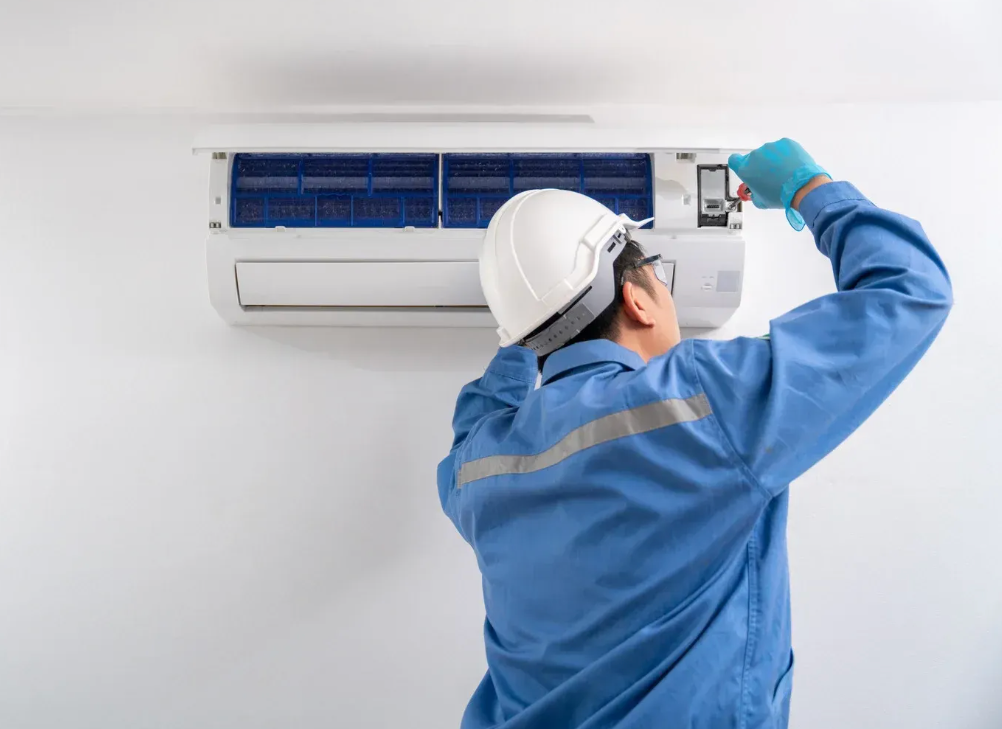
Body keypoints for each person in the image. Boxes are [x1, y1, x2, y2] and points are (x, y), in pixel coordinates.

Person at [436, 139, 952, 729]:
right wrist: (809, 188)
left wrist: (523, 336)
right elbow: (910, 293)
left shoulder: (479, 468)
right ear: (638, 299)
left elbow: (474, 419)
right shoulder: (703, 401)